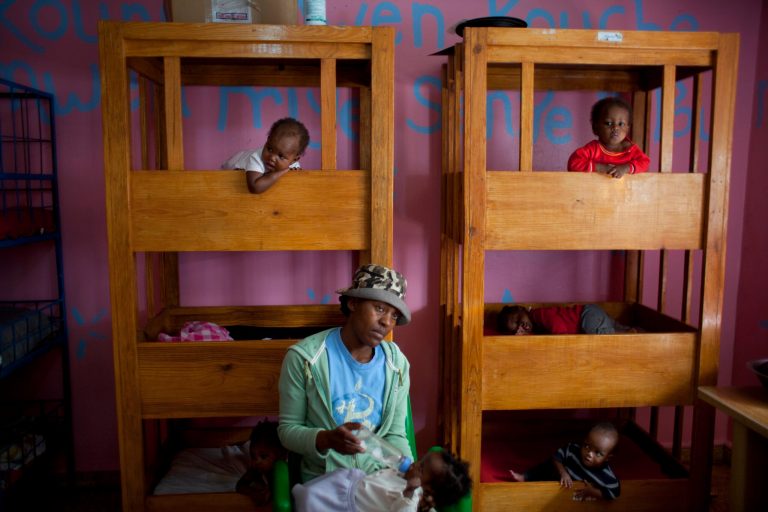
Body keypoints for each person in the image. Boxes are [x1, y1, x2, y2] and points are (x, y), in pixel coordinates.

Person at [278, 264, 413, 484]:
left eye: (394, 315)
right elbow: (287, 431)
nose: (387, 322)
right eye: (379, 308)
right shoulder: (305, 358)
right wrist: (326, 439)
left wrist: (409, 471)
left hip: (380, 478)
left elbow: (395, 434)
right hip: (325, 480)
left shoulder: (396, 364)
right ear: (353, 303)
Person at [292, 449, 472, 512]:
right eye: (421, 460)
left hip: (349, 505)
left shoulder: (413, 498)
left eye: (422, 469)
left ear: (429, 491)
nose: (416, 464)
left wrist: (409, 491)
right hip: (349, 487)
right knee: (309, 492)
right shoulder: (407, 474)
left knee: (310, 500)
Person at [509, 422, 620, 501]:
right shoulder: (573, 450)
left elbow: (615, 492)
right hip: (560, 475)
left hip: (571, 492)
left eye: (598, 453)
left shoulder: (606, 475)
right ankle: (526, 476)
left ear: (607, 458)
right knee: (547, 466)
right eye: (587, 446)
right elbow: (557, 456)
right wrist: (563, 472)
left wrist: (592, 492)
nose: (589, 454)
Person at [222, 117, 310, 194]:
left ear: (294, 160)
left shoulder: (294, 165)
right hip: (230, 167)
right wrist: (280, 172)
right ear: (267, 141)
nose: (272, 157)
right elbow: (255, 187)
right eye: (270, 149)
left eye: (280, 156)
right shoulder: (256, 158)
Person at [567, 97, 650, 178]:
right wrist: (600, 168)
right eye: (609, 123)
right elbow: (573, 163)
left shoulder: (630, 150)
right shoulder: (593, 149)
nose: (615, 128)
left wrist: (626, 168)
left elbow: (645, 163)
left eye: (621, 124)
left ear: (627, 128)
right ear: (595, 128)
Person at [235, 419, 287, 505]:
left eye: (263, 456)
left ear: (281, 455)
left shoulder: (286, 469)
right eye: (252, 456)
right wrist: (253, 492)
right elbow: (240, 486)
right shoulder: (256, 469)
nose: (256, 461)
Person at [496, 303, 635, 335]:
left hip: (586, 316)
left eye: (517, 320)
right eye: (516, 330)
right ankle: (632, 331)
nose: (521, 326)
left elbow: (558, 327)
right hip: (593, 314)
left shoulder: (537, 315)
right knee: (615, 325)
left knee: (603, 338)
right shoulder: (536, 325)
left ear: (522, 310)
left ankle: (626, 335)